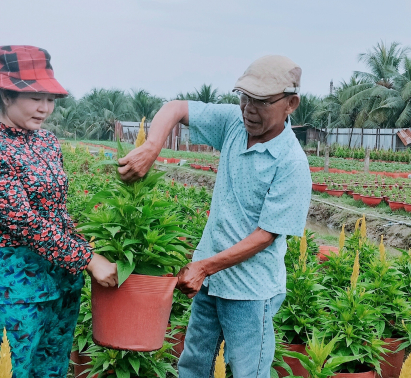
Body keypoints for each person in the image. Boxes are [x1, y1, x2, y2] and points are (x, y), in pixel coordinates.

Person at [118, 55, 312, 378]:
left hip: (250, 291)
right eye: (244, 97)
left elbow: (266, 235)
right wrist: (153, 145)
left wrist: (204, 266)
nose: (249, 108)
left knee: (249, 372)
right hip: (210, 281)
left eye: (261, 101)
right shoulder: (234, 124)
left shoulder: (291, 163)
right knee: (194, 365)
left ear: (291, 103)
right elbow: (177, 108)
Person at [0, 45, 118, 378]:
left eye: (50, 100)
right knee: (12, 370)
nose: (45, 108)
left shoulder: (46, 141)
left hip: (61, 279)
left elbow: (57, 212)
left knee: (53, 369)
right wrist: (88, 259)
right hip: (15, 285)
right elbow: (24, 222)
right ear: (6, 95)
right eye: (36, 98)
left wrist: (84, 250)